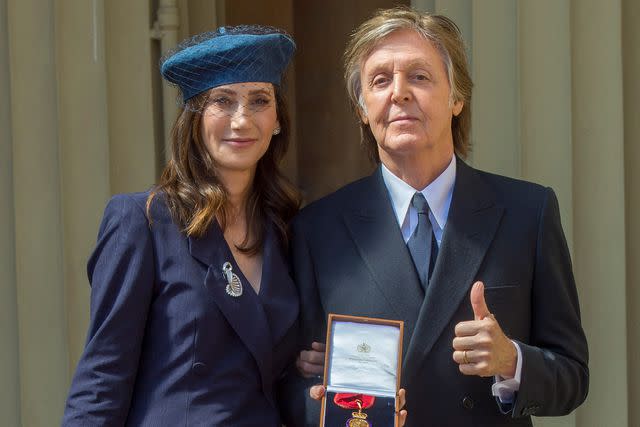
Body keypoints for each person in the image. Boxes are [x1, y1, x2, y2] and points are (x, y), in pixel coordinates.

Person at [284, 7, 588, 427]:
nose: (399, 93)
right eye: (380, 80)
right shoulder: (316, 229)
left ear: (457, 97)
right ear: (361, 108)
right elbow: (292, 387)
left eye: (419, 77)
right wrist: (320, 401)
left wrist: (510, 361)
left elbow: (572, 376)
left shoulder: (527, 213)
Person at [62, 25, 303, 426]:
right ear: (194, 117)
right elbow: (103, 377)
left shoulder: (288, 228)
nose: (242, 120)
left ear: (277, 118)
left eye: (259, 100)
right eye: (222, 101)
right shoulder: (143, 221)